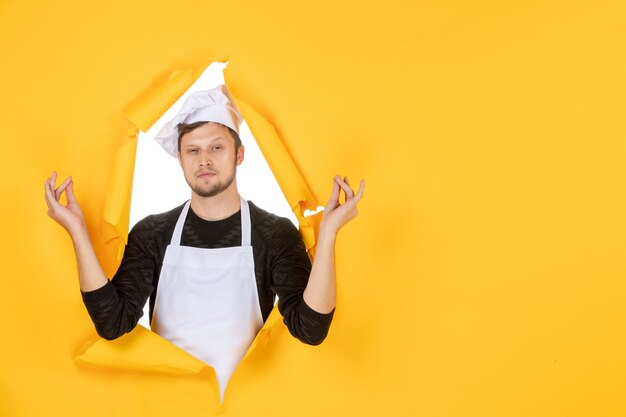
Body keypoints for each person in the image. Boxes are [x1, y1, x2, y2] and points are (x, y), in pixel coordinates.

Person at [44, 84, 365, 400]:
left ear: (239, 153)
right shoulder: (153, 232)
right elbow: (112, 323)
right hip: (169, 405)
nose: (204, 160)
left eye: (216, 147)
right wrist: (77, 232)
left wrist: (329, 234)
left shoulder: (273, 233)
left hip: (246, 405)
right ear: (180, 159)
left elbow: (311, 329)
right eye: (193, 150)